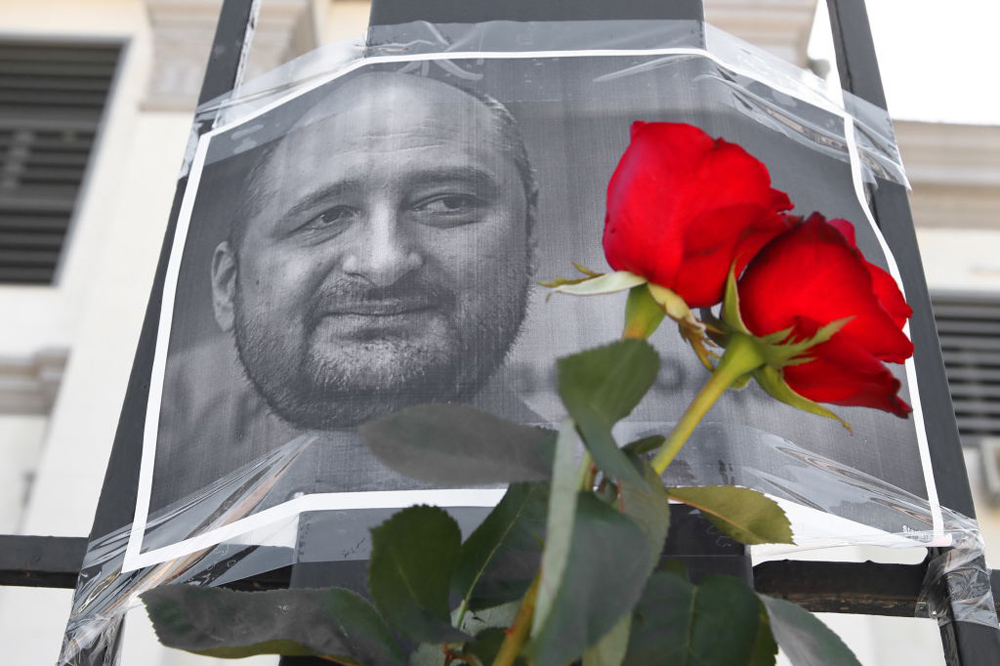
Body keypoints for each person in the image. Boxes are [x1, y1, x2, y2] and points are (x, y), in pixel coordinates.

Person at [150, 71, 542, 510]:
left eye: (448, 203)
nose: (384, 263)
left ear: (528, 239)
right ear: (227, 286)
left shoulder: (627, 511)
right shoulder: (179, 552)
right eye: (327, 216)